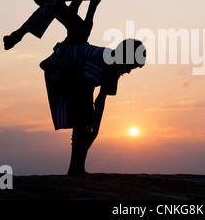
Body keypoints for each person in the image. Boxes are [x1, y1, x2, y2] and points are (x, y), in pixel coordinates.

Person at [39, 38, 146, 176]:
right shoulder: (101, 61)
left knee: (86, 120)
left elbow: (100, 100)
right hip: (59, 67)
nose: (129, 71)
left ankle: (77, 168)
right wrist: (89, 125)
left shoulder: (115, 70)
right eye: (131, 66)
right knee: (82, 119)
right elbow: (87, 94)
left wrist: (95, 131)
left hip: (77, 71)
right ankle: (75, 169)